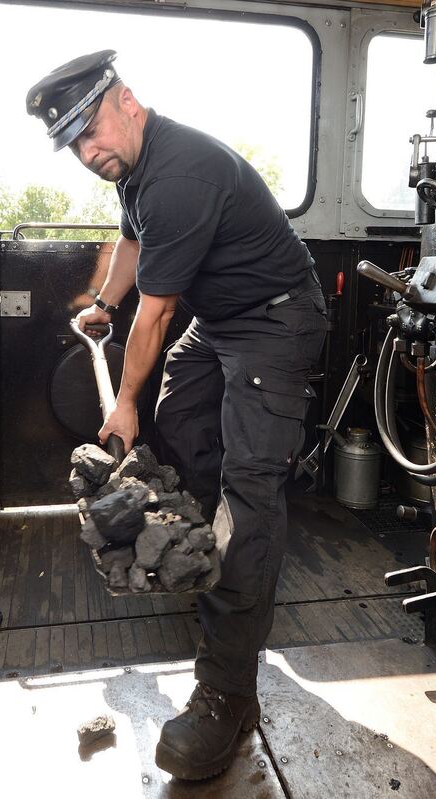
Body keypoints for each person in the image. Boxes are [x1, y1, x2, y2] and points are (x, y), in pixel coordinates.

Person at [26, 51, 326, 780]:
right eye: (75, 143)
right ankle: (210, 542)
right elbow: (133, 243)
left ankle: (227, 689)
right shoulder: (136, 171)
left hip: (275, 321)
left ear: (128, 101)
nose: (88, 151)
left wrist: (121, 402)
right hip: (222, 322)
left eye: (93, 129)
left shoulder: (180, 175)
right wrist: (104, 300)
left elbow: (155, 316)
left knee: (249, 491)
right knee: (181, 404)